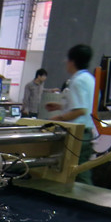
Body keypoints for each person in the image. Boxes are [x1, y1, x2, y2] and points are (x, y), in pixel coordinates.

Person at [45, 44, 96, 184]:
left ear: (72, 61)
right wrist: (61, 107)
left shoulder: (77, 81)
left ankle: (87, 197)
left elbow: (80, 110)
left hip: (77, 135)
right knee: (79, 170)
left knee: (79, 173)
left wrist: (57, 119)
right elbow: (84, 106)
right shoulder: (89, 78)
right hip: (86, 132)